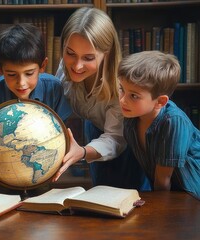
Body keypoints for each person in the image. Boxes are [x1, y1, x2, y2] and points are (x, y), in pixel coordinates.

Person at [53, 7, 149, 190]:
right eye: (70, 53)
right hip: (95, 131)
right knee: (100, 194)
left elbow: (114, 138)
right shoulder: (65, 69)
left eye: (88, 57)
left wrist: (81, 152)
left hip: (129, 143)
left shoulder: (120, 86)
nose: (77, 65)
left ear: (107, 53)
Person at [0, 23, 72, 191]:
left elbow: (63, 134)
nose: (21, 83)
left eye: (29, 73)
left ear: (42, 66)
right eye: (11, 75)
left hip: (42, 172)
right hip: (0, 177)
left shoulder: (54, 89)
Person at [118, 50, 200, 199]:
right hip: (169, 195)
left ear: (160, 102)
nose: (123, 100)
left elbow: (163, 180)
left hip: (192, 195)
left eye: (134, 96)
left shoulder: (172, 121)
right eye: (121, 89)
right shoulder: (131, 117)